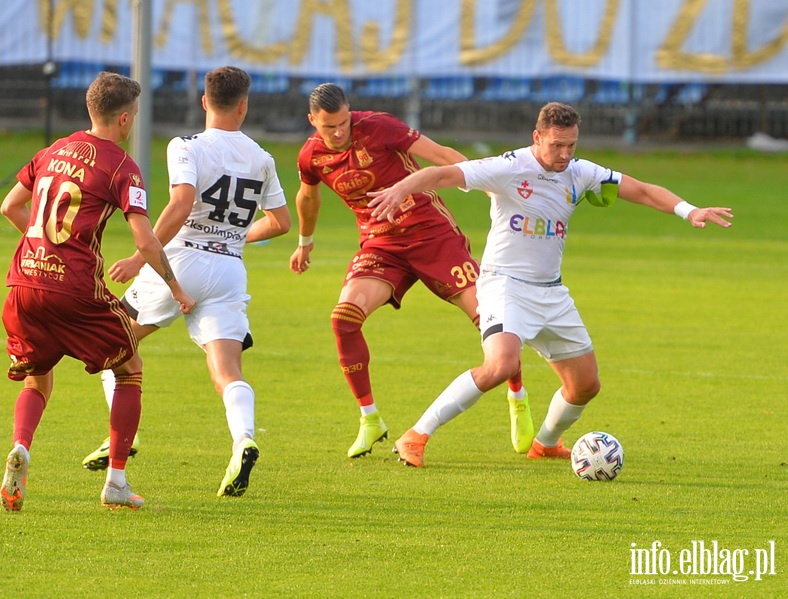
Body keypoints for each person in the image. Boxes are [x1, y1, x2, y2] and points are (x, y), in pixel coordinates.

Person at [367, 101, 734, 467]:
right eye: (556, 145)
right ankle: (416, 436)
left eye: (571, 145)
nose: (564, 154)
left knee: (586, 385)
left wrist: (689, 210)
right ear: (537, 137)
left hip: (552, 292)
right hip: (505, 286)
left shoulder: (580, 172)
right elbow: (443, 175)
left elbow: (641, 190)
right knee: (501, 364)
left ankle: (544, 443)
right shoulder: (509, 167)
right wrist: (401, 190)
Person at [81, 66, 291, 497]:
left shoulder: (186, 145)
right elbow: (281, 223)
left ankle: (124, 435)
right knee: (227, 370)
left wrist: (142, 254)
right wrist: (234, 237)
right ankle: (243, 439)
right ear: (244, 105)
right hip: (229, 268)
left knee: (110, 345)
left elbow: (181, 204)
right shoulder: (262, 157)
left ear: (204, 101)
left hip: (179, 261)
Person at [290, 83, 529, 460]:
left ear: (350, 112)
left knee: (494, 321)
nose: (337, 133)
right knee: (343, 319)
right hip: (381, 247)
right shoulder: (311, 156)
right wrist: (305, 240)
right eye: (327, 127)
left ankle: (516, 393)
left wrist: (490, 185)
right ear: (312, 122)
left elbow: (440, 154)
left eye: (342, 123)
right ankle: (370, 419)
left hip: (432, 236)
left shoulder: (380, 126)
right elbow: (308, 196)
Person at [0, 71, 194, 511]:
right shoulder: (122, 166)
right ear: (124, 118)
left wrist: (39, 243)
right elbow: (145, 240)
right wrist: (176, 288)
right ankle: (117, 482)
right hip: (74, 288)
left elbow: (10, 205)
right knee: (130, 368)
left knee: (37, 376)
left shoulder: (53, 150)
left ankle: (22, 448)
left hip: (24, 282)